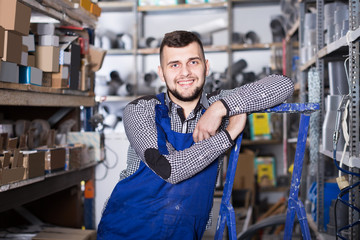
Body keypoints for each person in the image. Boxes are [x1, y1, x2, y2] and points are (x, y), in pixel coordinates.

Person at [97, 30, 294, 239]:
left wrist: (219, 108)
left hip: (184, 232)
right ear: (161, 72)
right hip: (128, 229)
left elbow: (283, 84)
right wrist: (227, 135)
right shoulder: (141, 109)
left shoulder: (220, 104)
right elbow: (169, 168)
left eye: (193, 62)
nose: (185, 73)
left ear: (206, 67)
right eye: (174, 65)